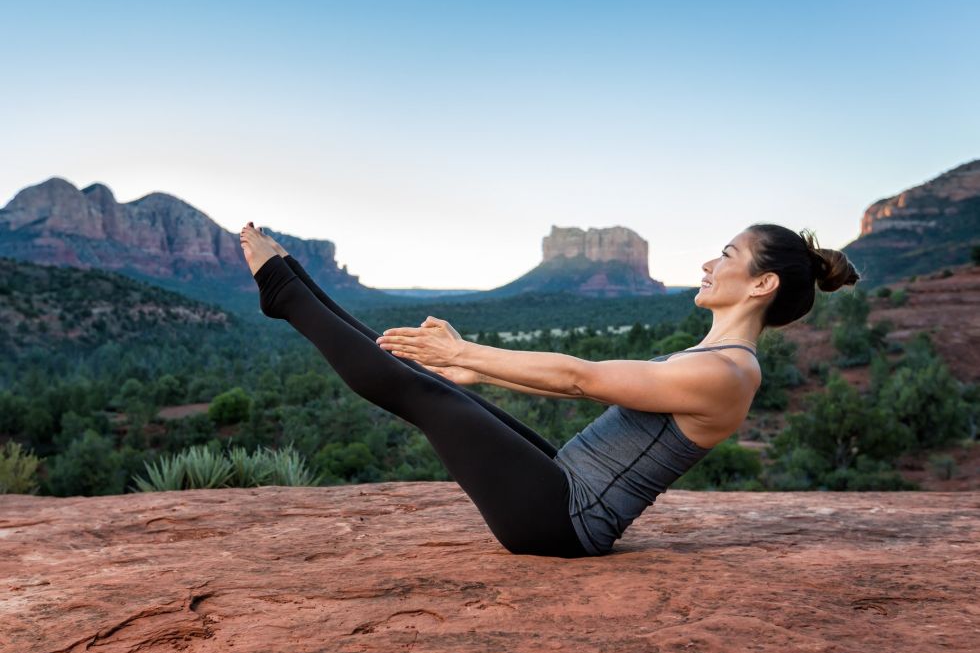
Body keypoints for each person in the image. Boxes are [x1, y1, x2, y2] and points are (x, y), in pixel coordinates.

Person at [240, 222, 860, 557]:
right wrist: (477, 370)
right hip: (564, 490)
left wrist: (463, 351)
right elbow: (590, 392)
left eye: (726, 254)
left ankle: (284, 290)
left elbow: (581, 375)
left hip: (565, 518)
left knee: (421, 396)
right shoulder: (714, 356)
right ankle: (291, 283)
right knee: (432, 384)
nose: (707, 264)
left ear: (761, 285)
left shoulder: (728, 372)